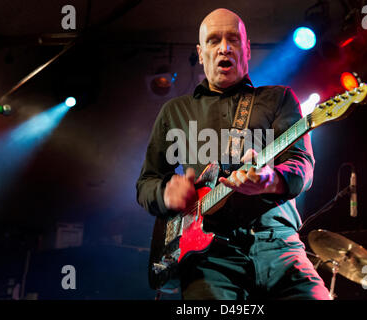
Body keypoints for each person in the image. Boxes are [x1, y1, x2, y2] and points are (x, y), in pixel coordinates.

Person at [136, 8, 330, 300]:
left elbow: (303, 165)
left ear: (247, 49)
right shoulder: (175, 112)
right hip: (209, 258)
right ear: (201, 54)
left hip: (278, 244)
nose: (224, 47)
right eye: (214, 40)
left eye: (233, 40)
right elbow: (147, 182)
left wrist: (272, 180)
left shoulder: (279, 99)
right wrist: (166, 193)